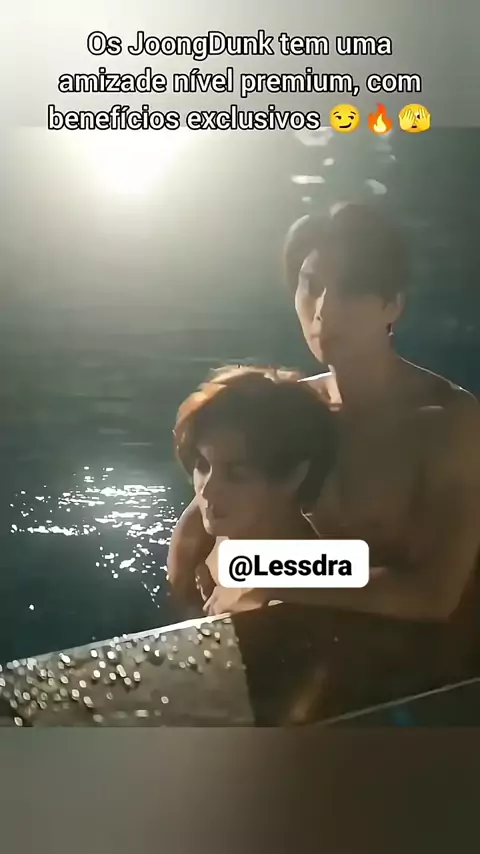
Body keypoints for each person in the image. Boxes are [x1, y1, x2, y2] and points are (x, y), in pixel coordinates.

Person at [168, 202, 480, 625]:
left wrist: (267, 572)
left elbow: (434, 595)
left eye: (350, 290)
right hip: (324, 639)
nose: (324, 310)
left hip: (432, 650)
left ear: (393, 305)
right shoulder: (291, 408)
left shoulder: (448, 422)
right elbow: (193, 532)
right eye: (312, 286)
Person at [172, 364, 337, 614]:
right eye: (203, 465)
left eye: (236, 475)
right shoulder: (213, 532)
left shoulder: (315, 573)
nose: (206, 492)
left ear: (293, 476)